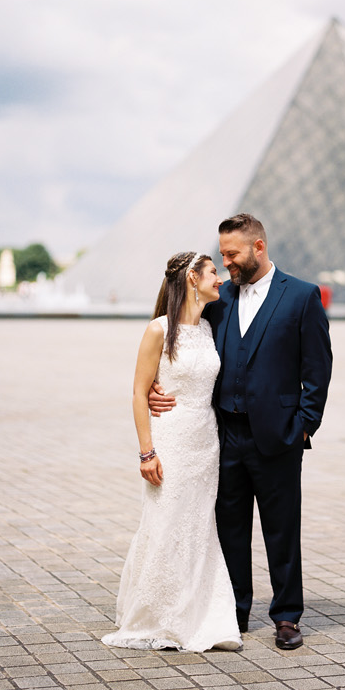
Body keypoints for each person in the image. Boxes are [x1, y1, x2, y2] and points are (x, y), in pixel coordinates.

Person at [150, 214, 332, 650]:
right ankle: (235, 612)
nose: (226, 262)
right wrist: (160, 384)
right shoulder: (220, 298)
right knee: (229, 529)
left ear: (259, 247)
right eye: (222, 255)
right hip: (223, 435)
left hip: (279, 437)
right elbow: (176, 331)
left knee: (281, 531)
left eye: (232, 254)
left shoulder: (302, 297)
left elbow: (318, 370)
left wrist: (303, 428)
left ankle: (287, 617)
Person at [102, 251, 241, 653]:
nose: (221, 277)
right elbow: (137, 393)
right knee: (165, 525)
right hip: (172, 441)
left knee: (199, 529)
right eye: (214, 271)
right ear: (192, 279)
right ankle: (158, 617)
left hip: (205, 442)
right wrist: (147, 452)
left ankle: (201, 616)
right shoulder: (158, 330)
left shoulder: (209, 330)